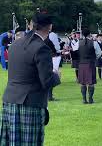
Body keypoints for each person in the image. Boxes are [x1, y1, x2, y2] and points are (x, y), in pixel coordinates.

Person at [0, 13, 61, 145]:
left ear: (31, 25)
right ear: (50, 27)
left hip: (9, 100)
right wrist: (56, 75)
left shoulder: (15, 44)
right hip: (30, 104)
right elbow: (47, 81)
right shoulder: (41, 48)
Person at [78, 28, 101, 104]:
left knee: (82, 82)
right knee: (91, 82)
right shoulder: (94, 43)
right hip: (90, 63)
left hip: (81, 64)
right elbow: (99, 53)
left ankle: (84, 99)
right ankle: (90, 99)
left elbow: (75, 51)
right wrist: (94, 58)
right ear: (89, 34)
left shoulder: (78, 42)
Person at [45, 28, 62, 101]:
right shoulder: (49, 39)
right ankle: (49, 96)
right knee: (51, 76)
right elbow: (56, 49)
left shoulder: (40, 39)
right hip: (51, 58)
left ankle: (47, 96)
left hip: (43, 59)